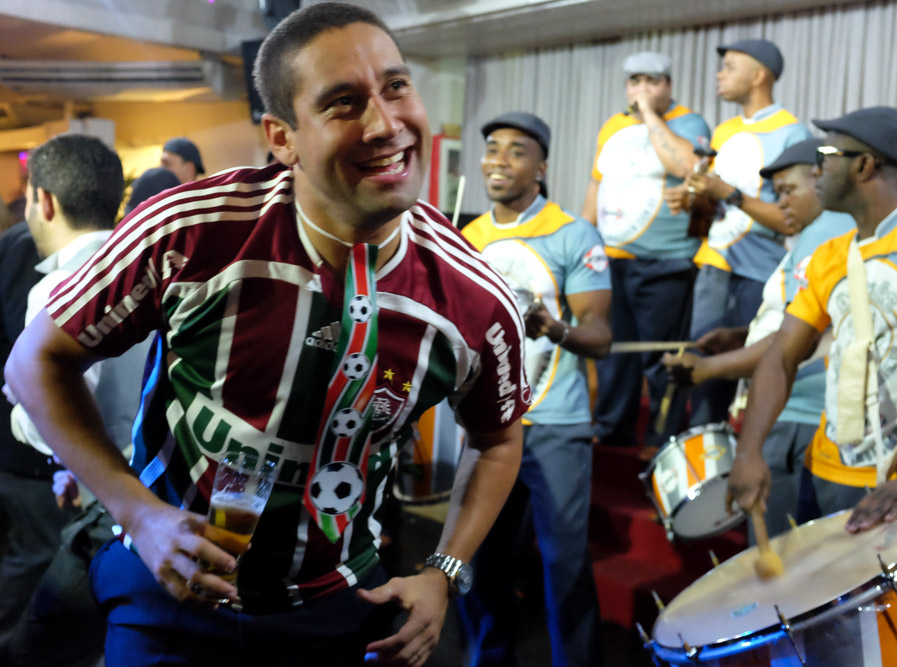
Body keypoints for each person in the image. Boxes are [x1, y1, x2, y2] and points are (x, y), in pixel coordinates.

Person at [4, 4, 529, 666]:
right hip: (172, 588)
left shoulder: (474, 294)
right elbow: (34, 363)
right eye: (343, 102)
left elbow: (500, 437)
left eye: (395, 86)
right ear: (282, 137)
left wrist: (444, 569)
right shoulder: (190, 230)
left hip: (341, 602)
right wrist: (140, 514)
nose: (387, 123)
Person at [727, 107, 897, 541]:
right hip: (829, 474)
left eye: (826, 156)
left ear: (864, 164)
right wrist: (749, 449)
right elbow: (782, 355)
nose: (816, 169)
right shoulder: (830, 255)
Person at [460, 112, 611, 667]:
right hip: (485, 426)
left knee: (562, 562)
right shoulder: (467, 238)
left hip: (555, 423)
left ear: (541, 167)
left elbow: (600, 338)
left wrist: (553, 326)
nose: (498, 159)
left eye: (516, 151)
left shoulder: (573, 234)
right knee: (476, 558)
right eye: (492, 148)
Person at [3, 135, 159, 667]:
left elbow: (51, 415)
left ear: (43, 201)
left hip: (108, 509)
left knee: (36, 646)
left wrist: (24, 405)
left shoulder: (57, 289)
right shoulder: (146, 267)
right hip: (153, 496)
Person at [663, 138, 854, 538]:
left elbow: (792, 343)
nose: (780, 203)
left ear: (819, 181)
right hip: (795, 406)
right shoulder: (812, 234)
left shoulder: (828, 231)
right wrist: (739, 336)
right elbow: (799, 322)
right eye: (776, 193)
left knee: (784, 555)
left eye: (788, 191)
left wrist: (708, 369)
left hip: (802, 411)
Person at [580, 51, 711, 449]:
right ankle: (611, 430)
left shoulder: (689, 123)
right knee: (615, 353)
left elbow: (690, 167)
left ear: (668, 86)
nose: (642, 89)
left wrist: (652, 116)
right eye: (635, 81)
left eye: (652, 82)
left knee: (661, 357)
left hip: (666, 261)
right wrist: (585, 242)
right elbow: (597, 186)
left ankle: (662, 439)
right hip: (613, 259)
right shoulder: (613, 127)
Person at [684, 39, 811, 427]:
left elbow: (792, 222)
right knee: (704, 368)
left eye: (730, 67)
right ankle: (702, 465)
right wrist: (694, 198)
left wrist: (729, 194)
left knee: (750, 370)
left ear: (759, 75)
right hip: (713, 265)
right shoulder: (724, 131)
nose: (720, 75)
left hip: (758, 272)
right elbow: (716, 207)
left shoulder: (791, 133)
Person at [0, 219, 49, 651]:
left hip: (21, 445)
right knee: (32, 553)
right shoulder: (25, 245)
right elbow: (27, 351)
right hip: (20, 447)